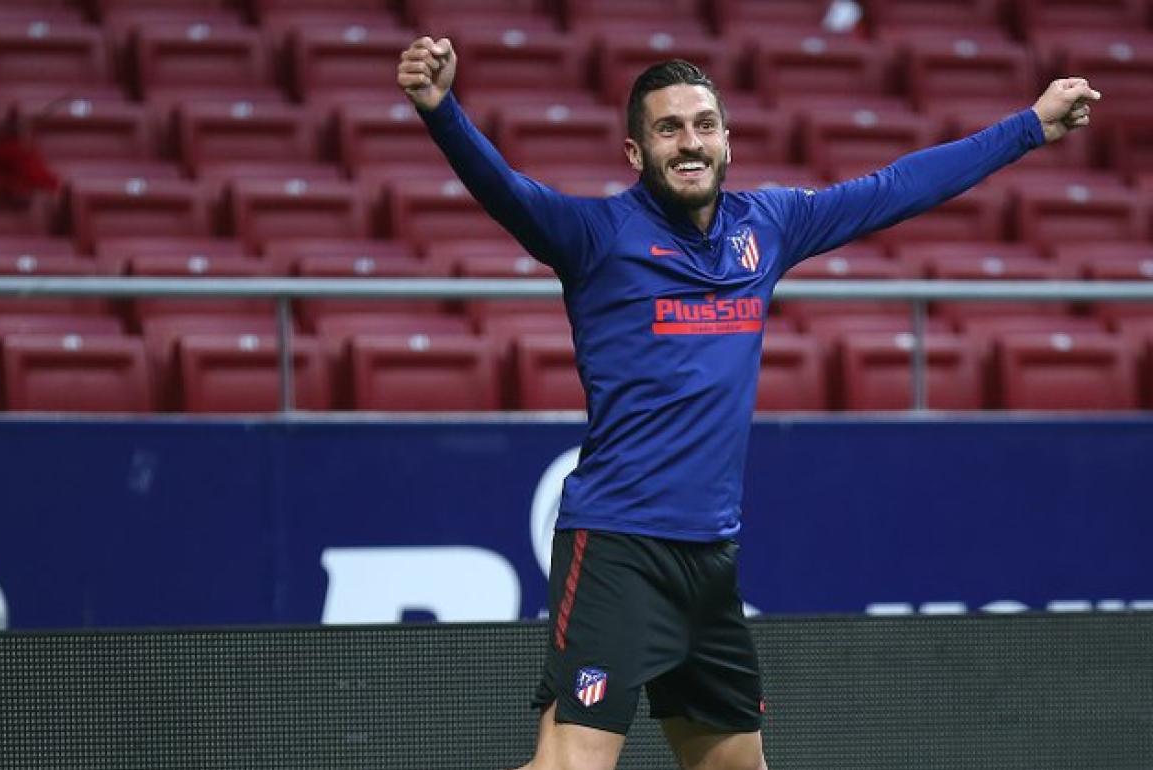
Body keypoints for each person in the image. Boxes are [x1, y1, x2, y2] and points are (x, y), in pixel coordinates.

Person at [398, 36, 1099, 770]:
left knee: (735, 767)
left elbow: (895, 187)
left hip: (710, 560)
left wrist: (1029, 127)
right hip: (617, 548)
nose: (690, 142)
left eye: (703, 124)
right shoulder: (596, 238)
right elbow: (507, 191)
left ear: (727, 141)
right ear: (636, 154)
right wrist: (441, 110)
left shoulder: (767, 226)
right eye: (668, 129)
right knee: (571, 763)